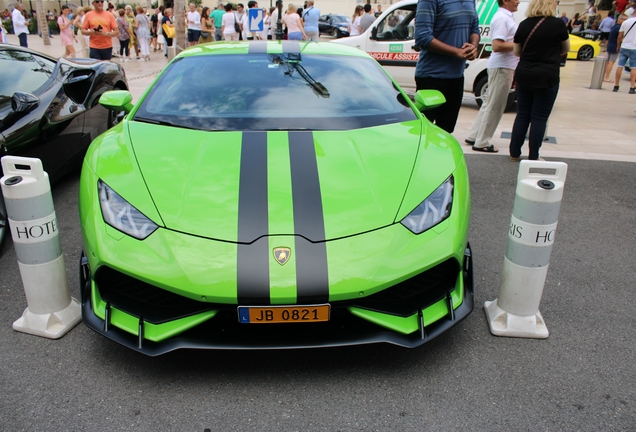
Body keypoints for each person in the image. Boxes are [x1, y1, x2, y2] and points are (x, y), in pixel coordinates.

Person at [509, 0, 569, 162]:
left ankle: (514, 154)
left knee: (522, 115)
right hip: (547, 75)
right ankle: (533, 156)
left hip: (525, 73)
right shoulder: (558, 24)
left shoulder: (524, 24)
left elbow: (516, 51)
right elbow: (565, 48)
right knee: (539, 117)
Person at [413, 0, 480, 133]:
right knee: (424, 132)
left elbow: (474, 29)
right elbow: (422, 37)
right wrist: (456, 52)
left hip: (456, 76)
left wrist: (474, 45)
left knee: (446, 132)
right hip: (431, 77)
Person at [466, 0, 520, 153]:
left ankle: (475, 135)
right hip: (502, 66)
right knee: (496, 105)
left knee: (489, 103)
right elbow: (497, 45)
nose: (518, 1)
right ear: (505, 1)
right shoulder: (502, 18)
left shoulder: (506, 17)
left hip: (503, 66)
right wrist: (522, 44)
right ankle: (482, 141)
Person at [613, 13, 636, 93]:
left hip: (624, 46)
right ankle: (632, 87)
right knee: (633, 67)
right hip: (634, 48)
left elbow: (620, 36)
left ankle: (616, 85)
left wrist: (618, 45)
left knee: (620, 66)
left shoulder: (625, 22)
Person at [604, 14, 627, 82]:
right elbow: (620, 37)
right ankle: (607, 77)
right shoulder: (619, 28)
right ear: (620, 20)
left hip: (610, 45)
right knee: (611, 62)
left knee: (608, 62)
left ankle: (604, 76)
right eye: (624, 19)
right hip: (615, 46)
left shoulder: (614, 26)